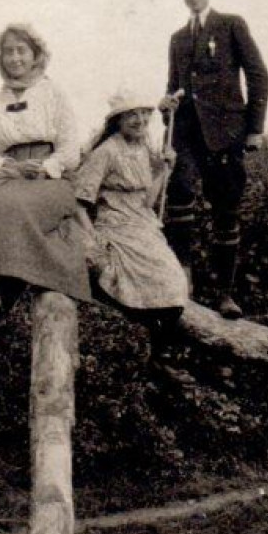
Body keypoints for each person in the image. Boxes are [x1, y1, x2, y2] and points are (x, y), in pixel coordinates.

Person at [159, 0, 268, 319]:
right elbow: (172, 86)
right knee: (178, 200)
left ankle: (225, 294)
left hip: (226, 135)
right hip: (186, 135)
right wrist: (167, 104)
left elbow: (259, 77)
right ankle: (183, 282)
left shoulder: (230, 25)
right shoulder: (178, 38)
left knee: (226, 211)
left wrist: (254, 128)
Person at [0, 23, 92, 320]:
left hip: (52, 180)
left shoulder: (53, 93)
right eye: (8, 52)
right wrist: (10, 167)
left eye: (21, 51)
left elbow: (71, 148)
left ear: (35, 55)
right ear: (0, 57)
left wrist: (46, 166)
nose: (15, 58)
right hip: (13, 177)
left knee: (11, 204)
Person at [72, 89, 189, 367]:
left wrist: (164, 170)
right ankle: (160, 355)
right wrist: (92, 241)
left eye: (143, 114)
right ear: (118, 120)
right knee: (134, 286)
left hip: (143, 224)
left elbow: (148, 200)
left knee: (176, 282)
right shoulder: (106, 151)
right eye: (131, 115)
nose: (139, 120)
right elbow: (78, 202)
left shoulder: (143, 150)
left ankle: (160, 354)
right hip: (115, 226)